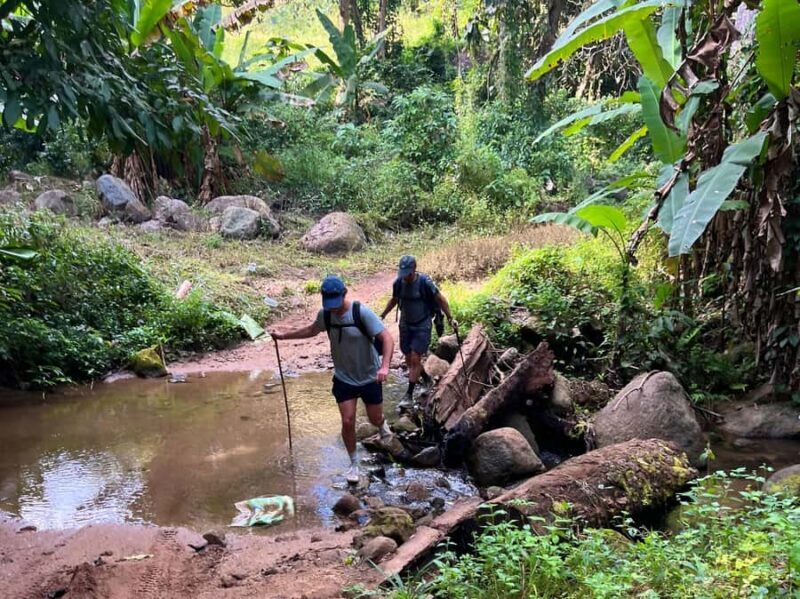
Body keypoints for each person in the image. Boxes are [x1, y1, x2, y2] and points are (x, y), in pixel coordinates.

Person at [269, 275, 394, 484]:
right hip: (344, 377)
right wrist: (283, 336)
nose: (333, 309)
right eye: (329, 304)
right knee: (347, 421)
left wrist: (385, 366)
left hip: (370, 375)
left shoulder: (360, 312)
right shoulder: (325, 315)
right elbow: (311, 330)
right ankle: (354, 464)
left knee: (374, 418)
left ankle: (382, 425)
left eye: (335, 304)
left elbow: (387, 338)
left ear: (344, 293)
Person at [380, 255, 456, 409]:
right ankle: (426, 379)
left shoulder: (424, 283)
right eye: (403, 273)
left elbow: (441, 299)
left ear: (414, 269)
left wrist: (449, 317)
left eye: (407, 273)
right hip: (405, 324)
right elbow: (394, 300)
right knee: (409, 359)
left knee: (415, 358)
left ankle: (408, 395)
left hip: (422, 324)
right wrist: (383, 314)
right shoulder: (398, 283)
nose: (405, 276)